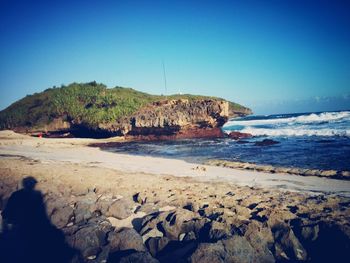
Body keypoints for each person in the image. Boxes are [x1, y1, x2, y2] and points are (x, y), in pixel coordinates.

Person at [0, 177, 77, 263]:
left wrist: (6, 227)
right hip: (31, 227)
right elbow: (41, 214)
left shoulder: (16, 194)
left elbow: (6, 213)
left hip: (19, 227)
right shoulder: (36, 195)